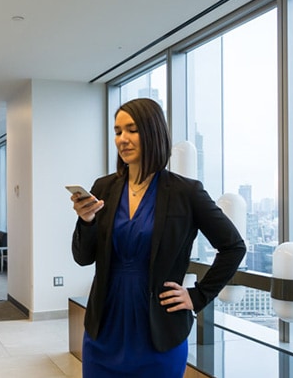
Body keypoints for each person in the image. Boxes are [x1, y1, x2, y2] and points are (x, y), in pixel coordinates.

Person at [70, 98, 246, 377]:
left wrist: (198, 296)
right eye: (117, 132)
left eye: (132, 130)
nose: (122, 139)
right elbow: (82, 258)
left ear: (153, 132)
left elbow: (233, 247)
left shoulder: (186, 192)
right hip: (104, 328)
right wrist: (86, 220)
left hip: (159, 332)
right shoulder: (103, 187)